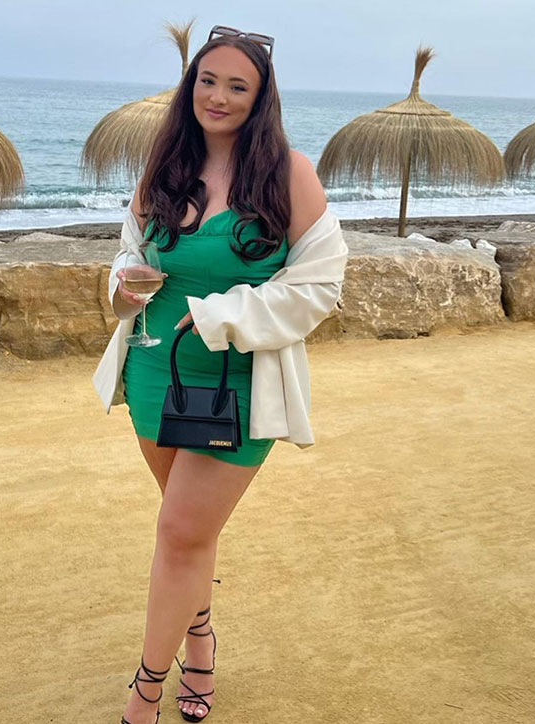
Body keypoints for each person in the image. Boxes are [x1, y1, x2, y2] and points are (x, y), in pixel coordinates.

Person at [92, 25, 348, 724]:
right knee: (190, 535)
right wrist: (123, 290)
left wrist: (220, 315)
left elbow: (320, 287)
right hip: (154, 369)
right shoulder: (161, 168)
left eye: (238, 85)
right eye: (209, 81)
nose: (219, 96)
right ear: (191, 87)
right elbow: (122, 271)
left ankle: (144, 694)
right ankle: (198, 640)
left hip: (239, 382)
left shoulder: (289, 174)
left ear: (261, 97)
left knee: (178, 530)